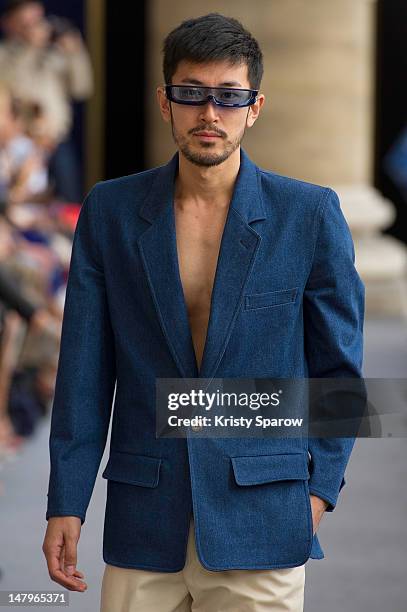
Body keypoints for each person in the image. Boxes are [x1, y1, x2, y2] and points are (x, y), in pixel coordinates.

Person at [42, 13, 365, 612]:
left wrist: (318, 491)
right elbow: (84, 371)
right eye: (191, 95)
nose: (209, 114)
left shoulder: (309, 215)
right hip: (145, 516)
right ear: (166, 102)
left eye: (228, 97)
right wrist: (67, 499)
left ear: (255, 106)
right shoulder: (110, 213)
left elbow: (339, 373)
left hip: (263, 517)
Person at [0, 0, 93, 202]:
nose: (35, 27)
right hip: (22, 145)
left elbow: (82, 89)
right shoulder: (4, 55)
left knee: (69, 206)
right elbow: (11, 90)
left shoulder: (55, 53)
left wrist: (75, 53)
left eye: (37, 20)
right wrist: (30, 49)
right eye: (26, 23)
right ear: (8, 22)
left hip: (57, 141)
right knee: (24, 205)